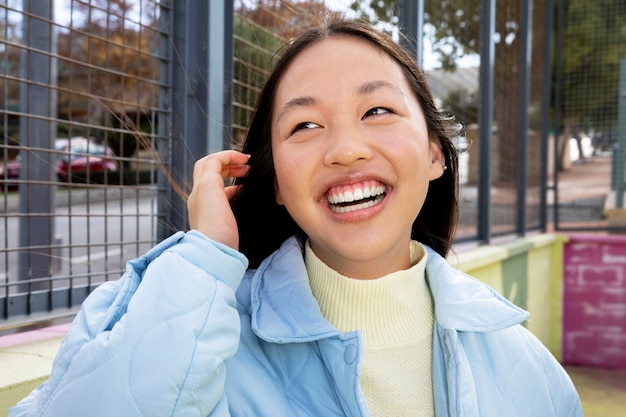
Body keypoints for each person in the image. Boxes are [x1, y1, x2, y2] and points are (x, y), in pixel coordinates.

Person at [10, 19, 582, 417]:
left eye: (377, 110)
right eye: (304, 126)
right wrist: (204, 257)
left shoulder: (526, 367)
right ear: (277, 182)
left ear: (436, 152)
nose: (346, 149)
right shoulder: (183, 331)